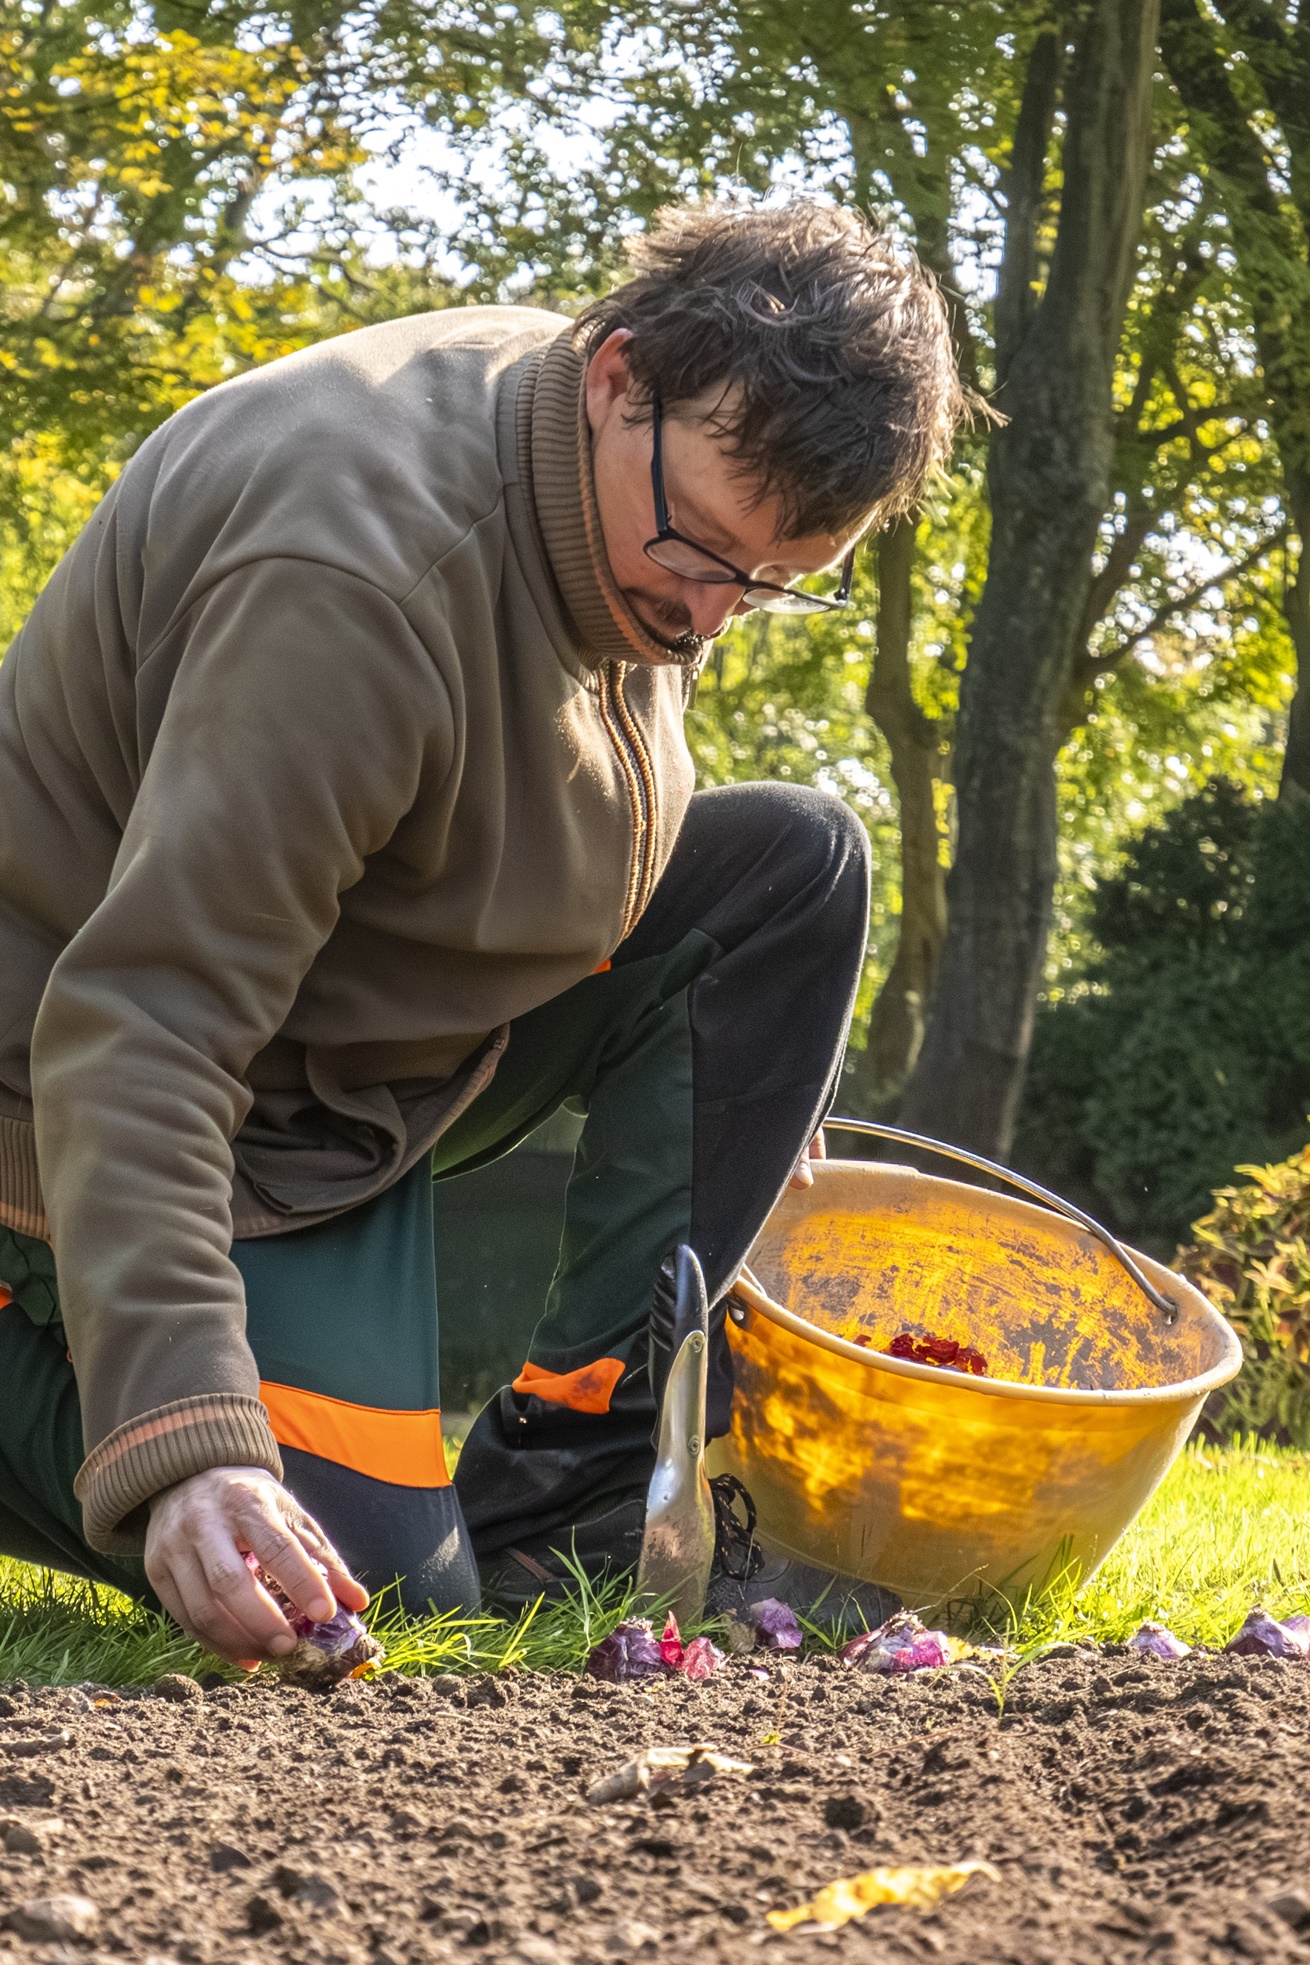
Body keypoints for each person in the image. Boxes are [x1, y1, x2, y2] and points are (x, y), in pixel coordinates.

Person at [0, 200, 964, 1666]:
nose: (709, 614)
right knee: (361, 1584)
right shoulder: (354, 585)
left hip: (352, 1058)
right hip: (100, 1090)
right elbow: (144, 1024)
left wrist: (747, 1098)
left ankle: (574, 1486)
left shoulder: (618, 486)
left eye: (770, 581)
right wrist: (188, 1437)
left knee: (794, 867)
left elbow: (569, 824)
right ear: (616, 378)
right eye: (698, 549)